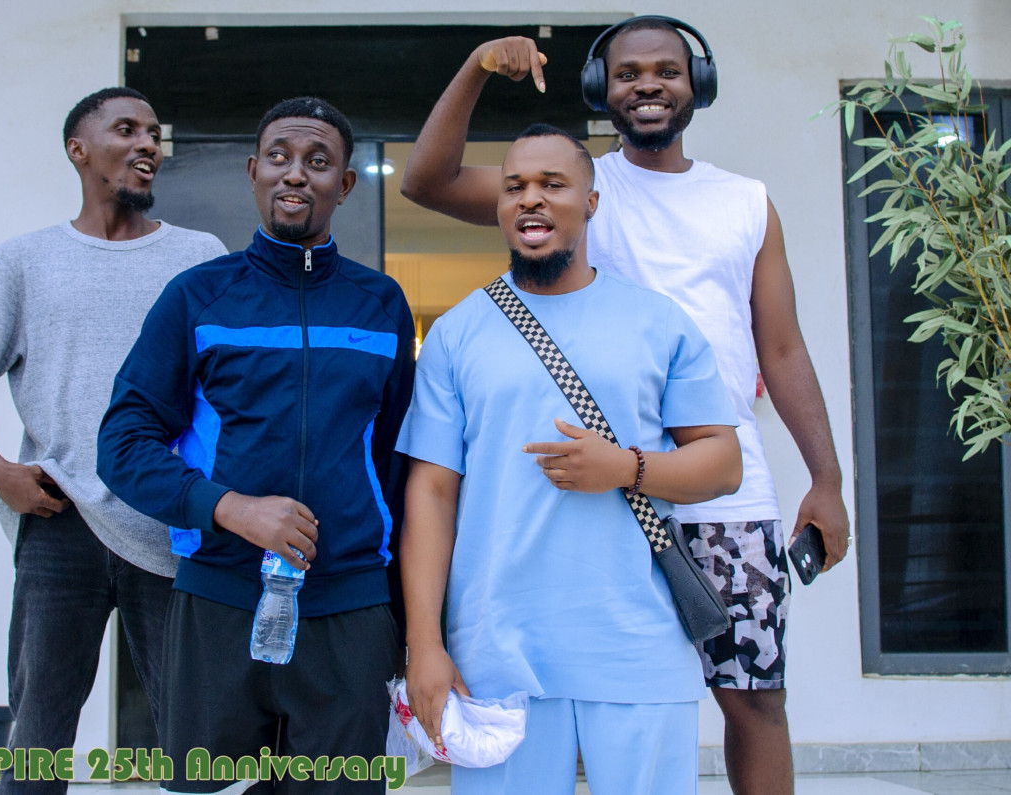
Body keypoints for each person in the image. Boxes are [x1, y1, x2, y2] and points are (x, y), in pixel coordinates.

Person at [398, 18, 851, 795]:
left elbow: (782, 350)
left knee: (755, 701)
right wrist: (477, 67)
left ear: (696, 83)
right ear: (598, 89)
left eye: (667, 70)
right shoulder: (570, 182)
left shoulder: (746, 202)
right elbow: (428, 181)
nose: (648, 84)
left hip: (725, 490)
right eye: (628, 72)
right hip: (599, 505)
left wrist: (827, 478)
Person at [398, 124, 742, 794]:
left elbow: (724, 463)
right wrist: (426, 643)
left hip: (638, 646)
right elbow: (431, 495)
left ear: (590, 202)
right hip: (497, 652)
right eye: (514, 187)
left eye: (552, 185)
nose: (531, 198)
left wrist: (627, 469)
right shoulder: (456, 334)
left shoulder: (657, 320)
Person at [97, 97, 416, 794]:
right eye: (279, 157)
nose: (295, 174)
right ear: (253, 172)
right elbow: (121, 443)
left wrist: (411, 619)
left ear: (345, 185)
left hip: (350, 610)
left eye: (318, 161)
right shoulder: (197, 297)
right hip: (219, 603)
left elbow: (402, 469)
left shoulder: (381, 305)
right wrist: (229, 508)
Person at [0, 86, 227, 794]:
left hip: (169, 517)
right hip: (57, 517)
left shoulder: (200, 257)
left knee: (197, 739)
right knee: (37, 735)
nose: (147, 144)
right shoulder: (25, 260)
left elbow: (231, 388)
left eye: (154, 133)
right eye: (126, 129)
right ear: (78, 149)